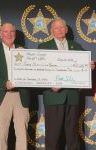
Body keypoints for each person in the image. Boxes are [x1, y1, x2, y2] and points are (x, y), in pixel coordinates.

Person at [38, 17, 95, 150]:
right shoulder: (44, 47)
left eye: (62, 27)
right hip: (53, 96)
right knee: (53, 135)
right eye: (56, 28)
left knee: (72, 135)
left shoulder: (77, 47)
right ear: (51, 31)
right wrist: (50, 85)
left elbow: (81, 70)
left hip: (72, 96)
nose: (59, 30)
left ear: (66, 29)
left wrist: (88, 68)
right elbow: (39, 73)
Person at [0, 23, 30, 150]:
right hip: (2, 95)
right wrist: (4, 83)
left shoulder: (24, 51)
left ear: (15, 34)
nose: (9, 34)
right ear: (0, 34)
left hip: (21, 95)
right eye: (5, 31)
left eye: (12, 31)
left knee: (22, 134)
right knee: (2, 134)